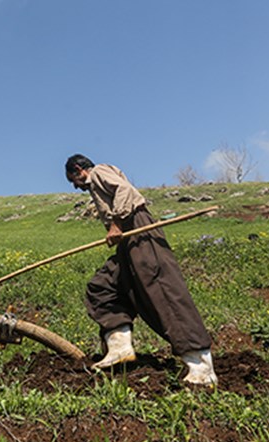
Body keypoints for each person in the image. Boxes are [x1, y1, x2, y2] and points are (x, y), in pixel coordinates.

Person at [64, 154, 217, 386]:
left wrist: (116, 223)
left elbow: (124, 190)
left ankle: (201, 366)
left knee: (161, 291)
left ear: (78, 169)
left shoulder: (99, 173)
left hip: (139, 230)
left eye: (73, 180)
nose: (76, 187)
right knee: (105, 286)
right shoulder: (96, 182)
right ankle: (119, 346)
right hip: (128, 237)